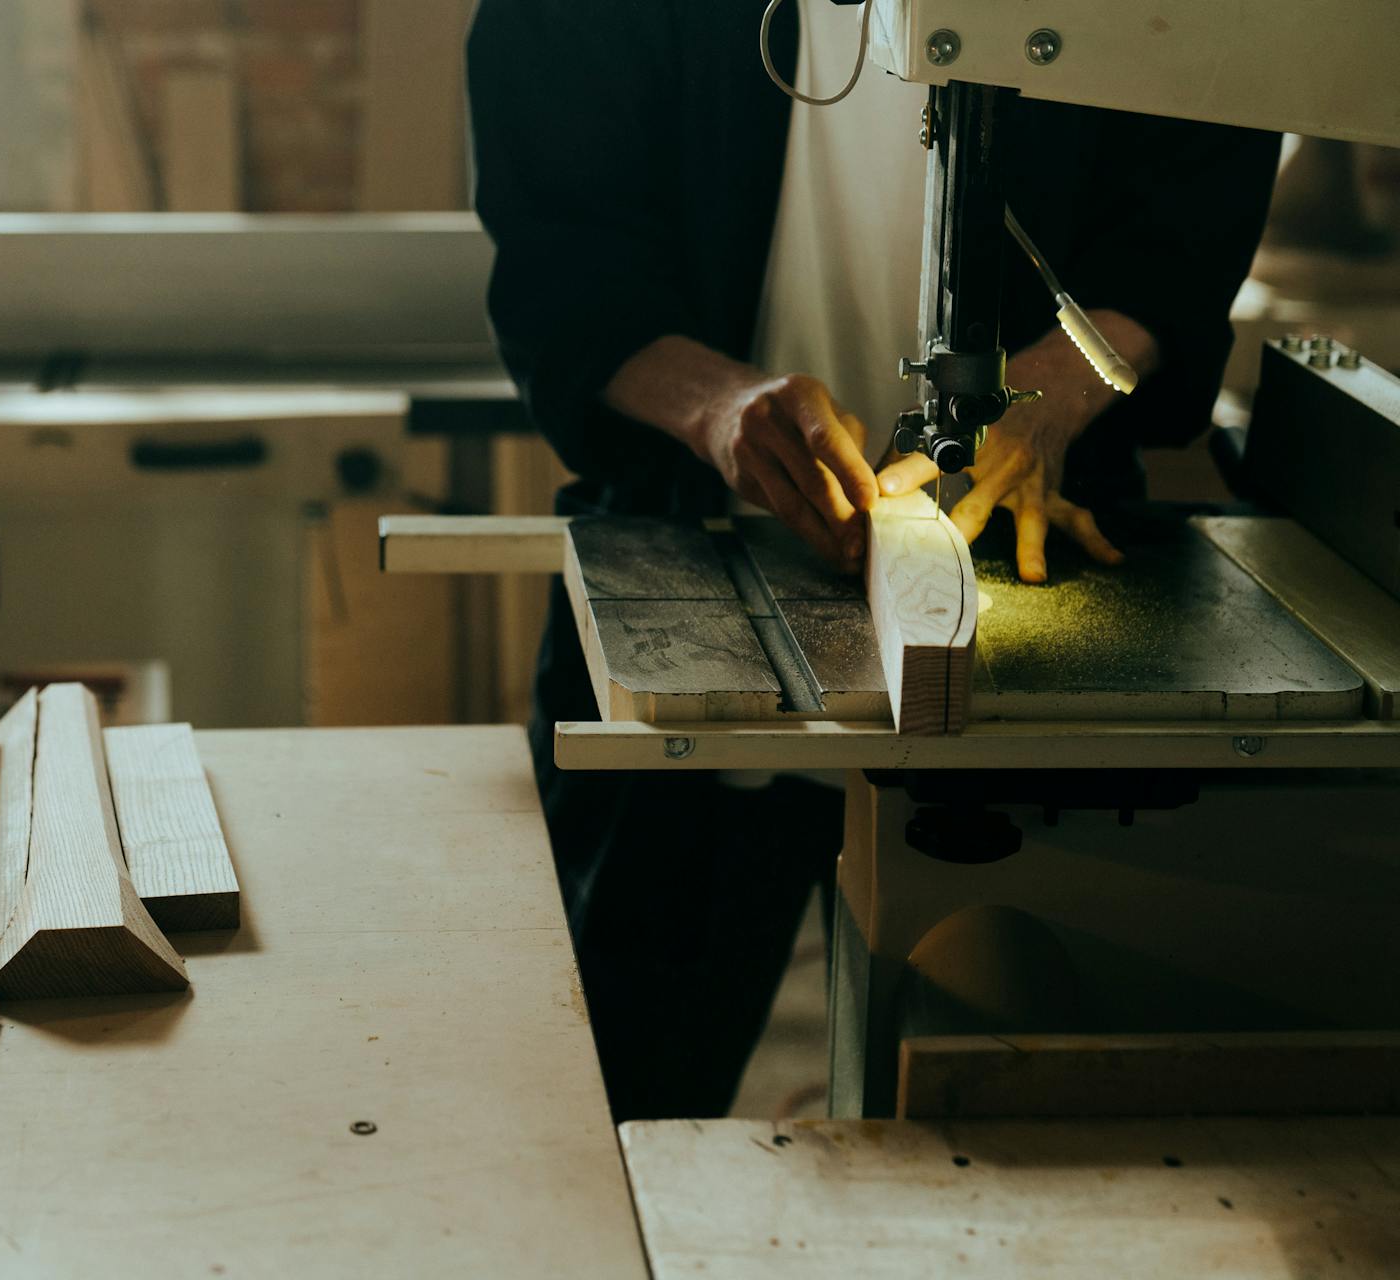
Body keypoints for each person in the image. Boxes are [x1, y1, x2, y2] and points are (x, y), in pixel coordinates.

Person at [465, 0, 1282, 1120]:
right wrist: (721, 409)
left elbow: (1181, 235)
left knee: (1025, 1126)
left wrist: (1054, 389)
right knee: (607, 1100)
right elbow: (566, 274)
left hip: (1027, 594)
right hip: (684, 572)